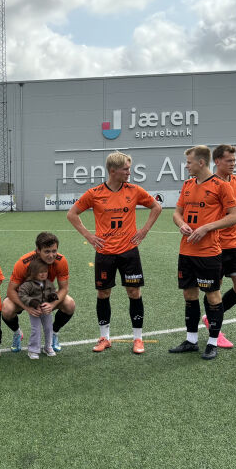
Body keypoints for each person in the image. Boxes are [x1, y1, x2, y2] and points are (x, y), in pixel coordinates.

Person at [67, 151, 162, 354]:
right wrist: (89, 236)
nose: (129, 172)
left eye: (129, 168)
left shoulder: (135, 190)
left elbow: (156, 207)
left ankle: (138, 339)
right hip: (105, 252)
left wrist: (144, 231)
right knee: (103, 293)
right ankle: (104, 337)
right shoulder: (94, 193)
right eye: (126, 169)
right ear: (113, 171)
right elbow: (72, 214)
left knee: (134, 292)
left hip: (129, 252)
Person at [169, 145, 236, 360]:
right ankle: (191, 340)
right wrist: (181, 224)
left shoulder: (221, 186)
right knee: (189, 295)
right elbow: (176, 212)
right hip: (187, 250)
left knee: (213, 296)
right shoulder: (188, 185)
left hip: (209, 252)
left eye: (189, 162)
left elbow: (235, 215)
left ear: (201, 162)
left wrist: (207, 227)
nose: (186, 166)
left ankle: (212, 342)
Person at [205, 144, 236, 348]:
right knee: (214, 290)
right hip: (214, 245)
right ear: (217, 161)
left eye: (234, 160)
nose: (233, 164)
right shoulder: (206, 183)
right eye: (228, 160)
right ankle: (216, 330)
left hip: (235, 245)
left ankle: (212, 318)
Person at [2, 232, 76, 353]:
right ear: (38, 250)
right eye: (47, 251)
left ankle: (54, 334)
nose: (51, 255)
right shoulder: (23, 263)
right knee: (7, 309)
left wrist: (52, 304)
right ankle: (17, 333)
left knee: (69, 304)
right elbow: (10, 290)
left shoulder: (61, 261)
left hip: (44, 294)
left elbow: (64, 288)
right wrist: (27, 307)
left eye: (54, 251)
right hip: (24, 296)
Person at [16, 259, 59, 360]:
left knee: (49, 328)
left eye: (45, 271)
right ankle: (33, 350)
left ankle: (48, 347)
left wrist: (52, 297)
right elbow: (22, 295)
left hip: (46, 310)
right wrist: (32, 302)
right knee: (36, 329)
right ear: (33, 272)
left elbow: (53, 291)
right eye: (40, 272)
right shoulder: (28, 284)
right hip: (35, 310)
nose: (43, 274)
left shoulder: (48, 282)